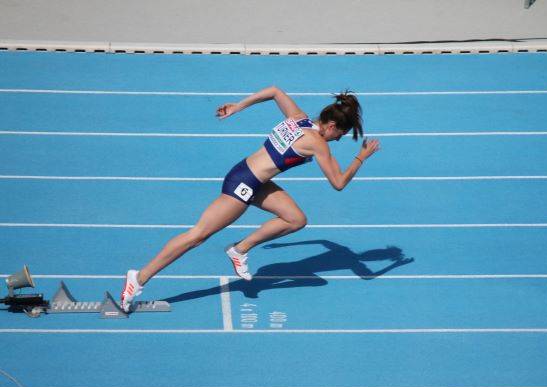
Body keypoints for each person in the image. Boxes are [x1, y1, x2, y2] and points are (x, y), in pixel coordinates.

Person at [120, 86, 380, 312]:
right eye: (341, 134)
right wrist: (361, 157)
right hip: (243, 185)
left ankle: (240, 249)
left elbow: (275, 91)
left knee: (295, 219)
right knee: (197, 235)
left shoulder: (298, 118)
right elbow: (338, 183)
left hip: (250, 176)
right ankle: (139, 278)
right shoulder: (317, 143)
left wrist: (238, 106)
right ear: (331, 126)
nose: (338, 140)